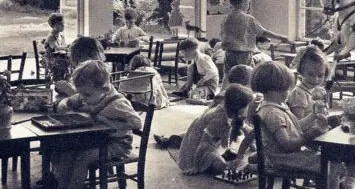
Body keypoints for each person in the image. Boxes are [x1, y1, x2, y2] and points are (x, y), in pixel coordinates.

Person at [250, 61, 355, 189]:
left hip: (287, 157)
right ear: (275, 90)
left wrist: (313, 115)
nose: (289, 91)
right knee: (331, 164)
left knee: (331, 159)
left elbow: (296, 126)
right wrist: (310, 134)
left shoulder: (277, 106)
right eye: (287, 88)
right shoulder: (272, 113)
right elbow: (286, 145)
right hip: (283, 160)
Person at [52, 60, 142, 189]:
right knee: (66, 152)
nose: (82, 97)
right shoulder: (91, 94)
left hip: (117, 144)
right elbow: (71, 100)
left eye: (86, 94)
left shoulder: (117, 104)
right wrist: (64, 103)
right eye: (80, 93)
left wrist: (109, 125)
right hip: (98, 140)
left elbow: (137, 122)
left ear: (104, 89)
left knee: (83, 158)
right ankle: (64, 185)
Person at [153, 64, 254, 149]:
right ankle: (170, 140)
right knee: (193, 137)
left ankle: (171, 140)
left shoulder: (242, 96)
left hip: (224, 126)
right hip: (213, 127)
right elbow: (216, 116)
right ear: (245, 83)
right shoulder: (226, 96)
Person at [220, 0, 293, 89]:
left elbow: (222, 34)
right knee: (246, 78)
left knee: (228, 77)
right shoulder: (248, 19)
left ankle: (224, 97)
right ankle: (246, 98)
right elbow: (263, 32)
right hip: (244, 54)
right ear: (243, 2)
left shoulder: (227, 18)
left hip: (229, 53)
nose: (248, 6)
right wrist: (282, 38)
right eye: (248, 3)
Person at [177, 83, 253, 175]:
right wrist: (195, 166)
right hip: (196, 151)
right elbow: (204, 144)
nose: (248, 108)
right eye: (247, 106)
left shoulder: (227, 109)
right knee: (221, 166)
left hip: (210, 144)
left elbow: (246, 130)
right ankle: (203, 164)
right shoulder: (219, 119)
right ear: (238, 107)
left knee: (231, 156)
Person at [286, 45, 330, 120]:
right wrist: (315, 115)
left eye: (320, 75)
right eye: (310, 74)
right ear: (301, 71)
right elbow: (297, 126)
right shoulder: (299, 94)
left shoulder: (320, 91)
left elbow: (326, 114)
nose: (315, 79)